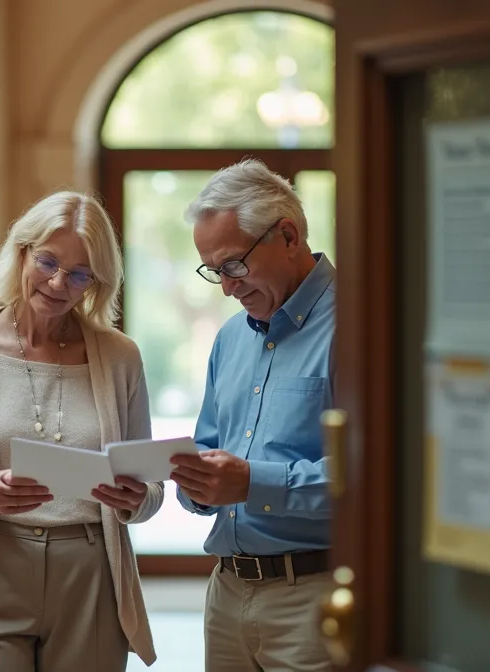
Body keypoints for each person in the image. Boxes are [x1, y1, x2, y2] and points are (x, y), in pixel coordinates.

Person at [0, 191, 162, 671]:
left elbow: (151, 487)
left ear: (95, 282)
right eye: (47, 261)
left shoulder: (120, 355)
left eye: (80, 273)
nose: (59, 283)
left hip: (91, 574)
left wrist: (135, 498)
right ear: (21, 252)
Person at [169, 159, 336, 672]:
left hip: (313, 596)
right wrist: (194, 484)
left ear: (287, 236)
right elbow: (210, 447)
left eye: (234, 266)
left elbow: (375, 480)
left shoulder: (359, 326)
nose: (226, 287)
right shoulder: (228, 339)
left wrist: (250, 483)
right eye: (214, 272)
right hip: (225, 592)